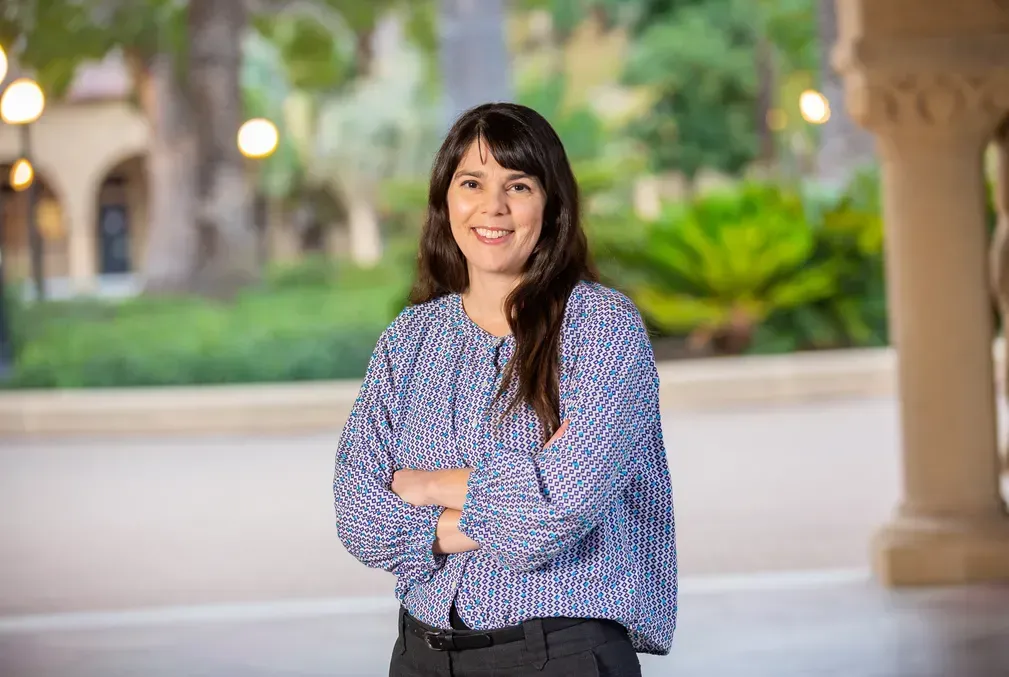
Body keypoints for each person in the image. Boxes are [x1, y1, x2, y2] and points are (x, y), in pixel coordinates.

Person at [333, 102, 676, 677]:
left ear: (551, 204)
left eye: (517, 186)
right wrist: (525, 480)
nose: (493, 207)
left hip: (557, 655)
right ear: (447, 198)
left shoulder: (602, 328)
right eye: (472, 182)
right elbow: (359, 516)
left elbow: (555, 514)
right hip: (420, 658)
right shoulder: (409, 339)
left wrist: (426, 485)